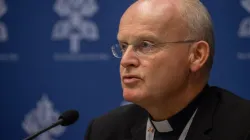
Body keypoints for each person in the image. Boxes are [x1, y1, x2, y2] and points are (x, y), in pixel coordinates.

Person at [84, 0, 250, 139]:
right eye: (123, 46)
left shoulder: (243, 128)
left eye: (146, 45)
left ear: (197, 55)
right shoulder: (105, 131)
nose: (126, 61)